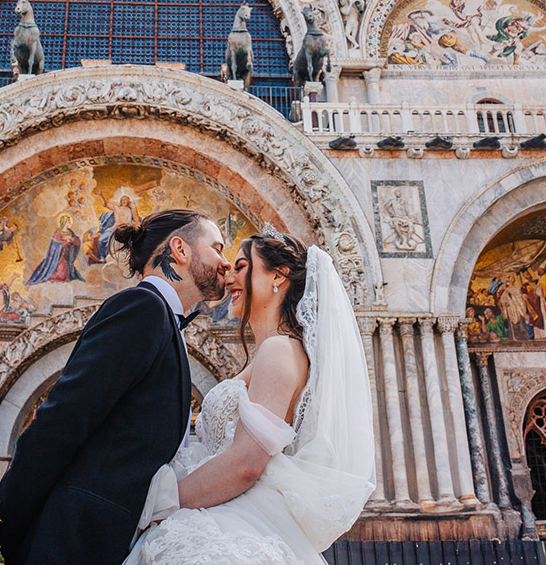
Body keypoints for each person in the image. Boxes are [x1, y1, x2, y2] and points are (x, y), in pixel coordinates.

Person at [125, 228, 375, 565]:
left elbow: (245, 464)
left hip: (235, 522)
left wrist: (160, 504)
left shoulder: (279, 350)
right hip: (227, 511)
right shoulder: (271, 353)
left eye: (242, 266)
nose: (230, 278)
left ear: (277, 276)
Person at [0, 208, 230, 565]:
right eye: (218, 247)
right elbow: (60, 424)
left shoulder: (164, 320)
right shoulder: (141, 307)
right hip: (75, 542)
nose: (225, 262)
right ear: (179, 250)